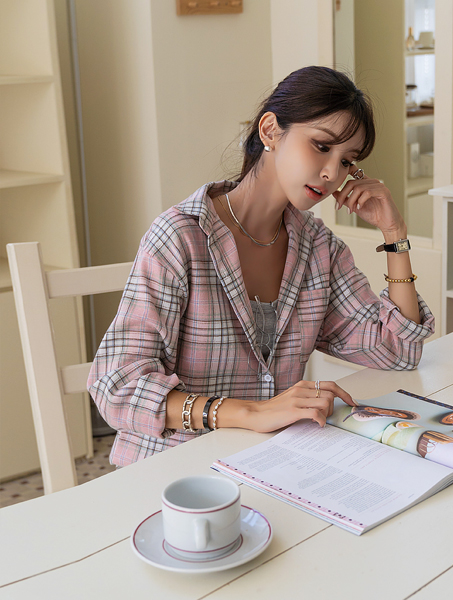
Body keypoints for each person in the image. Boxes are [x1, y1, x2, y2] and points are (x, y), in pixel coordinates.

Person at [88, 66, 435, 467]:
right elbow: (116, 387)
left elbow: (399, 351)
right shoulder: (181, 237)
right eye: (321, 146)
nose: (331, 173)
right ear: (270, 130)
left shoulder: (319, 249)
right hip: (173, 473)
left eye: (347, 161)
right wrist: (251, 412)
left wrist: (394, 234)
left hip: (271, 466)